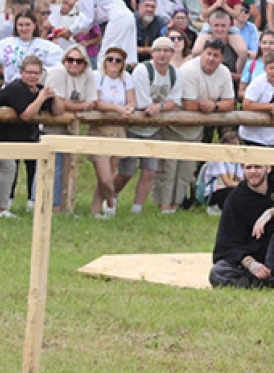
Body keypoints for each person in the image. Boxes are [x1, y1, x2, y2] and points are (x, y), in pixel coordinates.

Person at [113, 36, 183, 214]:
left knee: (150, 171)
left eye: (166, 50)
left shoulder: (175, 73)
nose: (162, 54)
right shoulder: (143, 71)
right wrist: (160, 107)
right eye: (158, 50)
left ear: (172, 53)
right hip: (134, 127)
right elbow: (143, 104)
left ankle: (137, 209)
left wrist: (160, 106)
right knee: (126, 171)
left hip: (154, 129)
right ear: (152, 53)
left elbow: (174, 101)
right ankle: (110, 197)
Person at [0, 55, 49, 218]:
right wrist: (42, 97)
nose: (33, 76)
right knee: (8, 168)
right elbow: (26, 115)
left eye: (36, 73)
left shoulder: (38, 89)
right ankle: (1, 209)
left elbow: (57, 110)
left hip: (17, 139)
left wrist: (52, 95)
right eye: (29, 72)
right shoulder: (15, 89)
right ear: (21, 72)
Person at [173, 41, 238, 212]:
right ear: (201, 53)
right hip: (186, 121)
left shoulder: (224, 72)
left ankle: (217, 195)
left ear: (222, 58)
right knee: (192, 160)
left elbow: (230, 103)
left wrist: (214, 106)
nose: (211, 59)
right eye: (208, 54)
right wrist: (211, 106)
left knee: (227, 146)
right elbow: (188, 105)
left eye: (215, 55)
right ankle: (188, 198)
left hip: (212, 115)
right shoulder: (189, 70)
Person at [43, 44, 98, 212]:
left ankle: (65, 203)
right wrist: (82, 107)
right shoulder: (58, 72)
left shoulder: (88, 74)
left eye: (78, 61)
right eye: (70, 60)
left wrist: (78, 106)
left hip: (72, 125)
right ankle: (49, 204)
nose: (74, 64)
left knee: (70, 165)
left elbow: (93, 101)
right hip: (52, 122)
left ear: (85, 63)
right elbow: (58, 102)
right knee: (54, 164)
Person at [210, 163, 274, 287]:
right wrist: (250, 264)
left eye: (258, 167)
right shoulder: (236, 199)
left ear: (268, 168)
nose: (253, 172)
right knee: (218, 272)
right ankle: (263, 282)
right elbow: (227, 244)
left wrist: (270, 213)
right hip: (253, 260)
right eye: (248, 168)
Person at [89, 47, 135, 218]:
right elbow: (97, 102)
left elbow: (131, 101)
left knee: (110, 172)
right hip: (100, 129)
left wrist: (128, 110)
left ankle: (95, 212)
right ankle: (110, 203)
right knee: (105, 178)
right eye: (110, 59)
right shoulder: (98, 77)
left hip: (118, 130)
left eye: (118, 60)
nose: (113, 63)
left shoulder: (126, 79)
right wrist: (117, 109)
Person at [51, 0, 137, 64]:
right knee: (128, 54)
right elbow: (95, 17)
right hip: (128, 17)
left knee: (105, 55)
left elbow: (87, 19)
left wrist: (70, 31)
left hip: (117, 20)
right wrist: (73, 30)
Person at [0, 10, 62, 84]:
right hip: (10, 88)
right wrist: (5, 72)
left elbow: (60, 64)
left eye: (28, 25)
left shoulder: (46, 46)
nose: (24, 28)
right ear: (16, 26)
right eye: (20, 25)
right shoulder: (6, 43)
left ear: (34, 25)